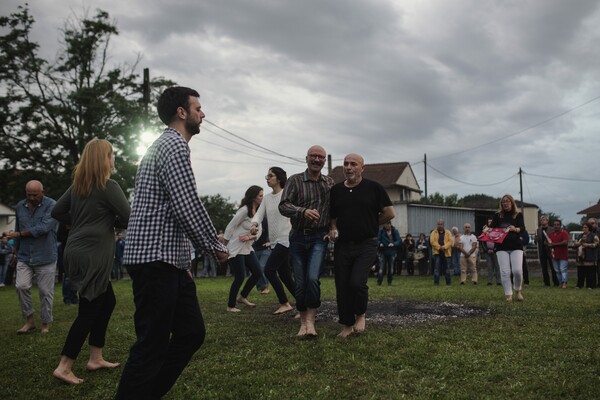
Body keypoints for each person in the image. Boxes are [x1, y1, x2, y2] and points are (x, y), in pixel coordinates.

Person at [115, 86, 228, 400]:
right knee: (151, 344)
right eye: (198, 108)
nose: (202, 114)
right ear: (182, 112)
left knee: (191, 333)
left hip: (169, 261)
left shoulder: (169, 147)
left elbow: (172, 212)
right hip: (154, 261)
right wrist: (215, 245)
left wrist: (184, 263)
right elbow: (186, 204)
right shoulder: (173, 145)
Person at [51, 138, 131, 385]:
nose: (113, 158)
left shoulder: (78, 186)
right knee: (89, 310)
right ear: (104, 159)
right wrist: (107, 222)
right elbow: (128, 217)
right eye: (111, 154)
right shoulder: (109, 185)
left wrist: (80, 222)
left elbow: (56, 212)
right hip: (93, 253)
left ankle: (95, 357)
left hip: (74, 249)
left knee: (107, 301)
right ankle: (65, 366)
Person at [329, 153, 395, 337]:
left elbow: (389, 213)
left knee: (357, 282)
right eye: (346, 164)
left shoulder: (374, 188)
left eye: (353, 164)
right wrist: (333, 228)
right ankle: (347, 325)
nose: (348, 167)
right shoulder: (336, 191)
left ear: (362, 168)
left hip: (366, 243)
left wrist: (372, 223)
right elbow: (332, 217)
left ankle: (361, 314)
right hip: (342, 244)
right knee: (342, 286)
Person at [279, 145, 334, 337]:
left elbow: (335, 209)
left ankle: (311, 322)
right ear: (306, 158)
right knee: (300, 282)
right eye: (313, 156)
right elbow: (283, 206)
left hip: (319, 236)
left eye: (321, 157)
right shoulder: (294, 180)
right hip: (298, 236)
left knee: (312, 278)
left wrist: (333, 228)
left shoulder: (329, 183)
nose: (317, 160)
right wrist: (302, 211)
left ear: (324, 161)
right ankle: (303, 322)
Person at [7, 180, 58, 334]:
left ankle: (45, 323)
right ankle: (29, 321)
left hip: (46, 255)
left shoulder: (52, 205)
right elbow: (17, 228)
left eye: (35, 195)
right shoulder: (20, 206)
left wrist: (19, 234)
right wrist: (14, 251)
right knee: (21, 286)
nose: (31, 198)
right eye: (29, 195)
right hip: (24, 255)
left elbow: (43, 228)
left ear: (42, 192)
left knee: (45, 291)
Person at [251, 167, 296, 315]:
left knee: (269, 270)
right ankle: (304, 305)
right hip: (275, 242)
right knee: (285, 276)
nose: (267, 178)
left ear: (279, 178)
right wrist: (254, 224)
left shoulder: (287, 195)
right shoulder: (267, 198)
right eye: (267, 176)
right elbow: (258, 215)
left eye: (270, 176)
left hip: (286, 240)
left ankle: (284, 302)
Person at [224, 185, 264, 312]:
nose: (262, 198)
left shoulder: (258, 212)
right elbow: (230, 226)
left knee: (258, 272)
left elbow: (260, 231)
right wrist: (223, 246)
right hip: (235, 247)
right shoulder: (244, 210)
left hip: (247, 248)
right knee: (240, 277)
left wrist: (250, 237)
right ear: (253, 197)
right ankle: (230, 306)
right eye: (260, 195)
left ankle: (242, 297)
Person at [490, 194, 525, 301]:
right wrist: (486, 229)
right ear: (501, 204)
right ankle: (508, 294)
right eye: (503, 202)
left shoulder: (518, 215)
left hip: (516, 246)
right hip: (501, 247)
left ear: (512, 202)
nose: (505, 203)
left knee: (517, 270)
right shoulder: (497, 215)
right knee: (505, 271)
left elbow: (523, 228)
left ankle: (518, 290)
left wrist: (515, 229)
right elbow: (492, 229)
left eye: (507, 201)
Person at [534, 215, 559, 286]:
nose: (542, 221)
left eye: (544, 220)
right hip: (542, 251)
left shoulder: (552, 229)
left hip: (550, 251)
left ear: (547, 221)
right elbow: (536, 242)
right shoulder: (538, 230)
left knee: (553, 268)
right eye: (541, 220)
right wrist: (536, 239)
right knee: (544, 268)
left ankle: (556, 282)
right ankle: (546, 282)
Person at [547, 219, 570, 289]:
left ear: (560, 225)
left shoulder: (564, 233)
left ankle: (564, 283)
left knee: (563, 269)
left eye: (557, 225)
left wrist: (554, 244)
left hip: (563, 255)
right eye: (555, 225)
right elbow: (546, 241)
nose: (556, 226)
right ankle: (560, 283)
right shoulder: (551, 234)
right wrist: (548, 244)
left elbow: (565, 242)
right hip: (554, 255)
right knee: (557, 270)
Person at [575, 222, 598, 289]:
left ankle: (590, 285)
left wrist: (588, 245)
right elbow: (576, 243)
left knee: (590, 272)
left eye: (585, 227)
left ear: (589, 228)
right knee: (580, 272)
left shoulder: (594, 235)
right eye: (583, 227)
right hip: (581, 256)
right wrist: (577, 243)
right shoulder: (580, 236)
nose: (584, 229)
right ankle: (579, 285)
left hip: (590, 256)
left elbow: (597, 244)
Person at [430, 220, 452, 285]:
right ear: (437, 225)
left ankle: (448, 283)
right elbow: (432, 241)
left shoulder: (448, 232)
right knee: (437, 269)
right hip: (437, 253)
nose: (440, 225)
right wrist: (439, 247)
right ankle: (436, 283)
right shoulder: (433, 232)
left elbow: (450, 241)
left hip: (446, 253)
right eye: (438, 224)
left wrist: (444, 247)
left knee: (447, 269)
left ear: (443, 225)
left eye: (441, 224)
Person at [252, 219, 271, 294]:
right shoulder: (252, 221)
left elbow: (272, 231)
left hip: (266, 248)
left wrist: (270, 242)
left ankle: (264, 287)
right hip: (255, 248)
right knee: (256, 268)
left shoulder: (266, 221)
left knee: (261, 266)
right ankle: (261, 287)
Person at [482, 218, 501, 286]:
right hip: (487, 252)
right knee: (490, 266)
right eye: (488, 222)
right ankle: (490, 281)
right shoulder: (485, 232)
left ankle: (499, 281)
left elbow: (499, 242)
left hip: (495, 251)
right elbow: (482, 242)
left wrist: (494, 249)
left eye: (491, 222)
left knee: (497, 266)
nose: (490, 223)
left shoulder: (497, 231)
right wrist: (487, 250)